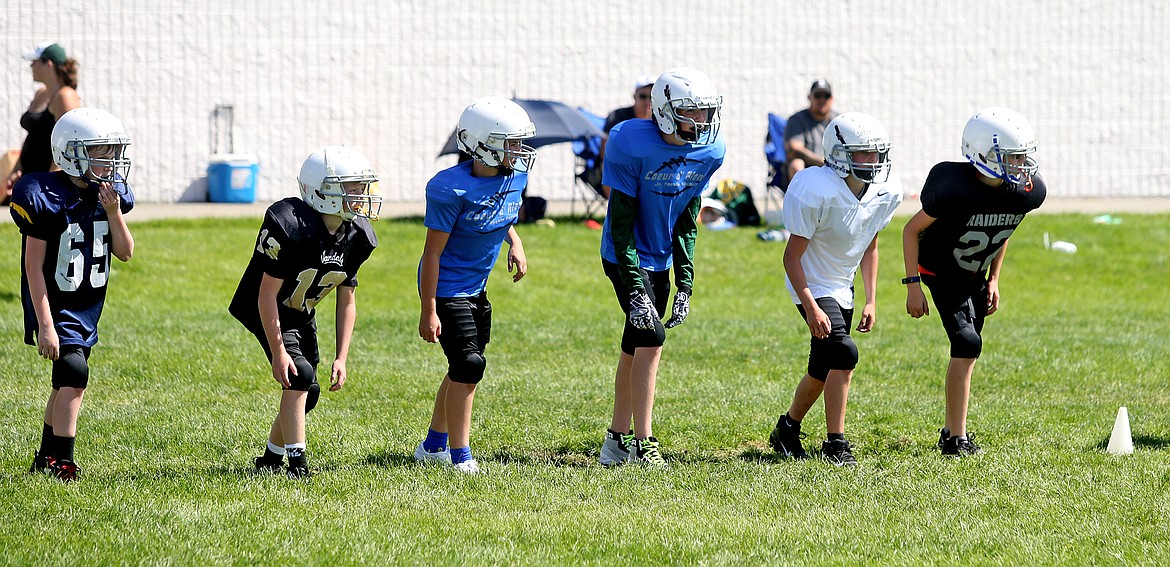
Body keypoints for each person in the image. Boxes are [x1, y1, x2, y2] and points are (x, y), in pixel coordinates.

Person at [598, 67, 726, 468]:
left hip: (662, 258)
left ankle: (615, 441)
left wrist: (686, 282)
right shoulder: (630, 141)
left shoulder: (710, 151)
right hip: (625, 255)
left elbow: (688, 218)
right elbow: (621, 226)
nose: (702, 122)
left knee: (634, 349)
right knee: (651, 338)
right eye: (692, 112)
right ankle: (644, 442)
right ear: (667, 111)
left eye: (706, 112)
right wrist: (636, 290)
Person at [902, 107, 1046, 457]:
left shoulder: (1021, 193)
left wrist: (994, 278)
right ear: (984, 154)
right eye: (1012, 158)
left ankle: (952, 429)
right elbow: (911, 229)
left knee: (969, 349)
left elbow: (1002, 229)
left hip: (974, 276)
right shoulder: (953, 188)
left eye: (1022, 156)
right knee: (967, 344)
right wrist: (912, 284)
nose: (1022, 165)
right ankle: (956, 441)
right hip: (941, 273)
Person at [231, 146, 381, 479]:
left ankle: (270, 461)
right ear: (323, 191)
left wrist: (341, 356)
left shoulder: (356, 236)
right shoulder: (291, 225)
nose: (361, 195)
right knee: (298, 374)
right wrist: (278, 352)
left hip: (301, 311)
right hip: (264, 305)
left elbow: (347, 299)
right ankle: (297, 466)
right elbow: (267, 293)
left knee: (307, 391)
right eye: (352, 187)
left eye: (362, 186)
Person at [768, 112, 903, 467]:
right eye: (862, 153)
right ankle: (835, 442)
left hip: (842, 285)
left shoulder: (884, 192)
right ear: (840, 153)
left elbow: (869, 244)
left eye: (876, 153)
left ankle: (787, 428)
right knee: (844, 353)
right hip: (811, 283)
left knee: (822, 366)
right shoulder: (818, 188)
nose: (872, 161)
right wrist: (811, 305)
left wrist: (872, 298)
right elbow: (791, 257)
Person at [10, 108, 135, 482]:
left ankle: (45, 457)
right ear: (72, 153)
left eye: (113, 152)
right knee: (75, 374)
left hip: (86, 307)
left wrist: (114, 212)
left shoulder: (108, 196)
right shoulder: (43, 194)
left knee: (64, 380)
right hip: (54, 304)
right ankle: (62, 460)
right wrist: (45, 325)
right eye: (101, 152)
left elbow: (126, 252)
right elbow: (34, 267)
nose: (110, 161)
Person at [414, 96, 533, 475]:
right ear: (484, 144)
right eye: (511, 142)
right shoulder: (449, 188)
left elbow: (500, 213)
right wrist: (428, 309)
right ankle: (459, 454)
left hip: (477, 288)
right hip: (447, 288)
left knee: (462, 368)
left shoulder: (516, 176)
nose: (519, 151)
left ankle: (432, 445)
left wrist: (514, 242)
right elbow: (432, 254)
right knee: (468, 364)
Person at [4, 43, 82, 204]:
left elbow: (69, 142)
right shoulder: (41, 93)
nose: (31, 66)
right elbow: (33, 135)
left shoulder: (65, 95)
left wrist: (53, 181)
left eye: (35, 61)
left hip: (48, 180)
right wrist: (17, 168)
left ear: (49, 64)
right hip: (31, 177)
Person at [592, 74, 656, 199]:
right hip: (620, 163)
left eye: (652, 97)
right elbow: (605, 150)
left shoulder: (660, 120)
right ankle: (616, 207)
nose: (647, 102)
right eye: (643, 96)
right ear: (634, 97)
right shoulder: (618, 116)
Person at [782, 79, 839, 187]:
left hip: (835, 170)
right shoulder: (796, 120)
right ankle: (801, 202)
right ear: (809, 97)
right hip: (808, 171)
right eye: (818, 96)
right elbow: (795, 149)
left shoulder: (839, 121)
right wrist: (824, 163)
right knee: (796, 164)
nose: (822, 100)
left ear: (831, 99)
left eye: (825, 96)